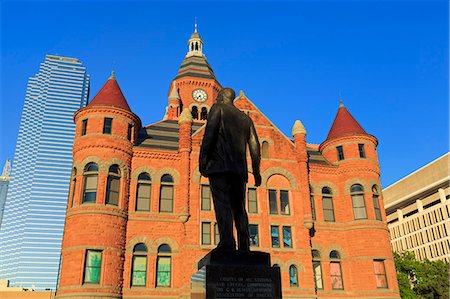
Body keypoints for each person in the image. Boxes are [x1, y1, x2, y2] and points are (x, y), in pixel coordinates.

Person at [200, 88, 261, 251]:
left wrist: (203, 161)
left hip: (220, 167)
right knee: (239, 207)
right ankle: (244, 245)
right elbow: (255, 146)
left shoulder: (217, 109)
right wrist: (256, 171)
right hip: (239, 172)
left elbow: (209, 136)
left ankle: (227, 242)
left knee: (222, 204)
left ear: (220, 97)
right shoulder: (245, 119)